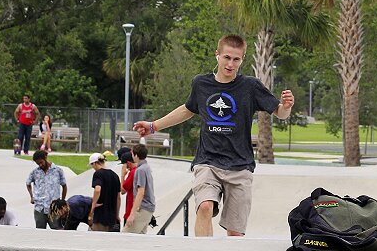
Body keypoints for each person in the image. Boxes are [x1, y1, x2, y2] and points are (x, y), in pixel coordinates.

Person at [134, 34, 294, 237]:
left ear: (242, 59)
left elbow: (279, 112)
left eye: (236, 59)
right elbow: (187, 109)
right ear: (217, 55)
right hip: (208, 161)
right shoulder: (201, 84)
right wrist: (153, 125)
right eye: (227, 57)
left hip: (240, 166)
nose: (230, 64)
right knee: (205, 207)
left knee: (235, 234)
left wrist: (286, 107)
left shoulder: (250, 86)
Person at [25, 149, 67, 228]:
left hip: (53, 208)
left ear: (45, 158)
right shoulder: (35, 172)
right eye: (38, 164)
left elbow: (64, 186)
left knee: (57, 229)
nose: (40, 165)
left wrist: (62, 201)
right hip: (40, 207)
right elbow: (28, 183)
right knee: (40, 231)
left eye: (41, 162)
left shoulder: (57, 171)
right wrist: (32, 197)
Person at [122, 144, 155, 234]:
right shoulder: (147, 167)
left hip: (142, 208)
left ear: (136, 155)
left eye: (132, 154)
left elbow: (141, 192)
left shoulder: (140, 170)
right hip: (149, 208)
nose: (132, 156)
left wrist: (132, 214)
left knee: (125, 236)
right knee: (139, 239)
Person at [87, 153, 121, 231]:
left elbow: (97, 189)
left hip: (100, 216)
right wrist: (117, 214)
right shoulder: (115, 175)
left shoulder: (98, 174)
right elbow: (118, 197)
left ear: (95, 163)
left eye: (92, 165)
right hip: (112, 217)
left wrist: (93, 205)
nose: (93, 168)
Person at [117, 147, 136, 226]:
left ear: (128, 163)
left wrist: (122, 175)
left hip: (130, 212)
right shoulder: (141, 170)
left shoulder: (133, 172)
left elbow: (122, 191)